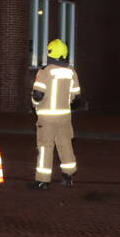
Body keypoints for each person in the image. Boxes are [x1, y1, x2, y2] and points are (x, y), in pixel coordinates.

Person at [30, 39, 81, 190]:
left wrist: (34, 104)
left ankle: (42, 181)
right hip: (65, 117)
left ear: (51, 53)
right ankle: (68, 176)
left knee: (45, 147)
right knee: (65, 145)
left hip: (47, 118)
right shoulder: (71, 71)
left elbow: (38, 94)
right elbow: (76, 97)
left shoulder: (45, 71)